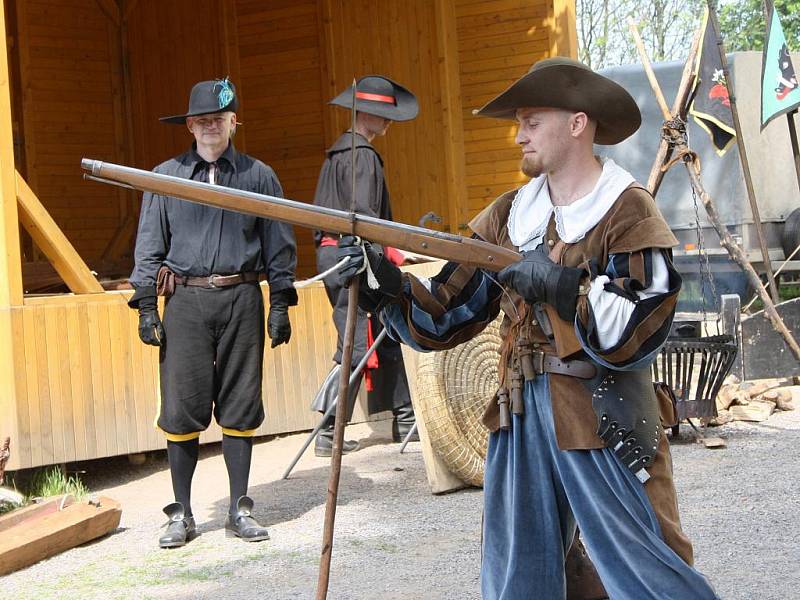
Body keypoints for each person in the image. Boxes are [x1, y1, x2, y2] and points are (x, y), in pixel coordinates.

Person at [336, 58, 720, 599]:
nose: (518, 136)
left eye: (531, 121)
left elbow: (644, 320)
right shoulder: (511, 213)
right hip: (520, 410)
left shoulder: (626, 209)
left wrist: (565, 286)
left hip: (601, 414)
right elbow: (450, 307)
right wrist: (388, 284)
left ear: (577, 123)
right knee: (520, 571)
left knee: (647, 564)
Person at [128, 78, 298, 548]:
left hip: (243, 299)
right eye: (202, 121)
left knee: (242, 403)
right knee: (181, 407)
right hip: (184, 302)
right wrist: (146, 305)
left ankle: (240, 508)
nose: (210, 129)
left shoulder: (259, 176)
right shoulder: (164, 176)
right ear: (189, 125)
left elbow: (278, 242)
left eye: (218, 120)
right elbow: (148, 244)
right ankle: (181, 514)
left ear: (233, 122)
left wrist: (280, 301)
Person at [310, 76, 420, 457]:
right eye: (382, 114)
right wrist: (387, 254)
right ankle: (326, 428)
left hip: (342, 253)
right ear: (367, 115)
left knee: (386, 332)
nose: (388, 122)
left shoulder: (343, 153)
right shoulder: (361, 155)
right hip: (352, 256)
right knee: (357, 343)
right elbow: (362, 218)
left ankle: (405, 419)